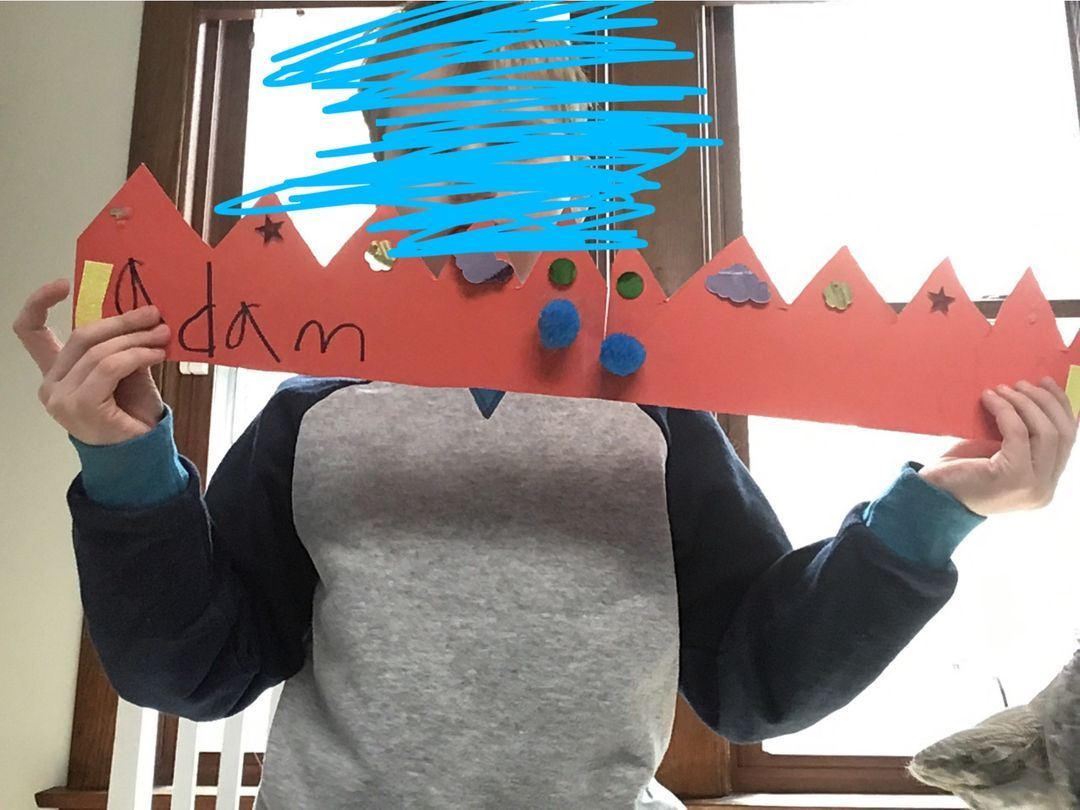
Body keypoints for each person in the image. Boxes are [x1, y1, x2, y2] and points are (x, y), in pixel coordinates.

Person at [14, 4, 1078, 806]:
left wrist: (932, 513)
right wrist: (126, 467)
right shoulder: (315, 414)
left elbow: (760, 681)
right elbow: (193, 669)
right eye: (427, 148)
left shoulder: (655, 418)